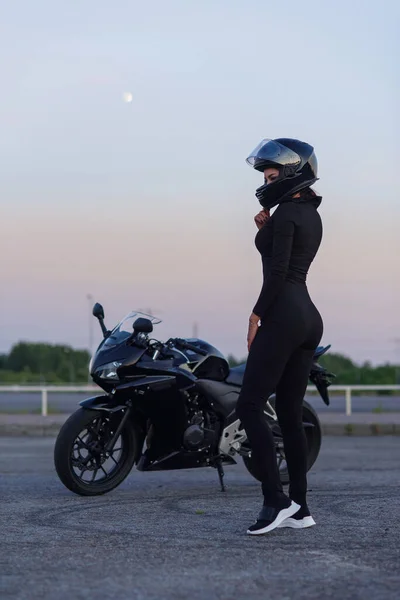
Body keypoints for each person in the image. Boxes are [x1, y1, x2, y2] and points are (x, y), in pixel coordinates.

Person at [236, 138, 324, 535]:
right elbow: (285, 264)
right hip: (308, 316)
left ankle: (275, 501)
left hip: (285, 314)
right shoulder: (308, 213)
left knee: (250, 405)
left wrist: (256, 315)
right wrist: (265, 231)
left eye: (273, 175)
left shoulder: (288, 212)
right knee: (289, 414)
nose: (266, 182)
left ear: (291, 173)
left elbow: (277, 274)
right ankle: (301, 508)